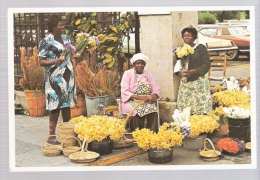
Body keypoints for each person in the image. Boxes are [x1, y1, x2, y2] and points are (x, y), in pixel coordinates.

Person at [38, 15, 77, 145]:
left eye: (63, 25)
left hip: (67, 75)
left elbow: (71, 54)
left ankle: (67, 134)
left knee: (66, 104)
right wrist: (55, 61)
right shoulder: (46, 41)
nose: (63, 27)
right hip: (54, 77)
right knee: (55, 105)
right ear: (53, 26)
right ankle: (51, 136)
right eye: (60, 25)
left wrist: (78, 55)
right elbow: (41, 62)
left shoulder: (66, 39)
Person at [174, 26, 212, 115]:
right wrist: (178, 72)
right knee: (186, 105)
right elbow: (178, 64)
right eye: (184, 36)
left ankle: (201, 124)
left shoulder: (201, 48)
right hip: (186, 82)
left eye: (189, 36)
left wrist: (194, 71)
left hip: (199, 81)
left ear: (194, 37)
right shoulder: (180, 49)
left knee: (200, 105)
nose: (186, 38)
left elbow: (207, 64)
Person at [120, 53, 161, 132]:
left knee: (153, 109)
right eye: (138, 63)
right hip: (131, 101)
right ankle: (138, 134)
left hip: (146, 101)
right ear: (134, 64)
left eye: (142, 63)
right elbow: (124, 91)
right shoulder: (128, 74)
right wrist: (139, 97)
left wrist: (154, 95)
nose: (140, 65)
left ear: (145, 64)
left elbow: (156, 89)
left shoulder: (149, 74)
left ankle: (152, 134)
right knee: (139, 111)